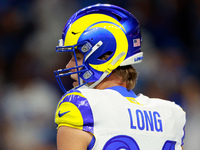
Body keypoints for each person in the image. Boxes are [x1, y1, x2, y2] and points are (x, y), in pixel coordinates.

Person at [54, 4, 186, 150]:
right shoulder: (171, 114)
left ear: (104, 58)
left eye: (77, 57)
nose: (68, 66)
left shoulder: (82, 105)